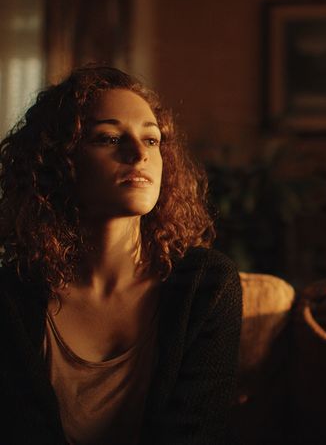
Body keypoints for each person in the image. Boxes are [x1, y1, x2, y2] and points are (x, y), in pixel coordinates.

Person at [0, 66, 242, 444]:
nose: (138, 154)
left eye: (152, 140)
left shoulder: (206, 284)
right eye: (110, 138)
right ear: (57, 161)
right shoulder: (11, 295)